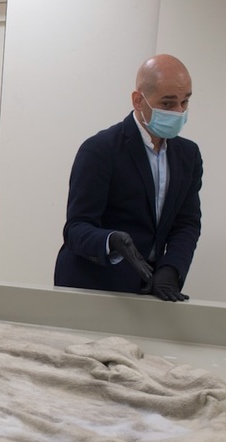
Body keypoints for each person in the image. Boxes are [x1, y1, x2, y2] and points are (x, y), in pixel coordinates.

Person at [54, 54, 202, 301]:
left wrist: (171, 269)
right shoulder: (100, 150)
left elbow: (187, 223)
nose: (178, 112)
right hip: (91, 287)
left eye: (185, 102)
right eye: (167, 104)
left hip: (149, 289)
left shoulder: (188, 155)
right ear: (138, 100)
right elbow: (76, 229)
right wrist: (111, 240)